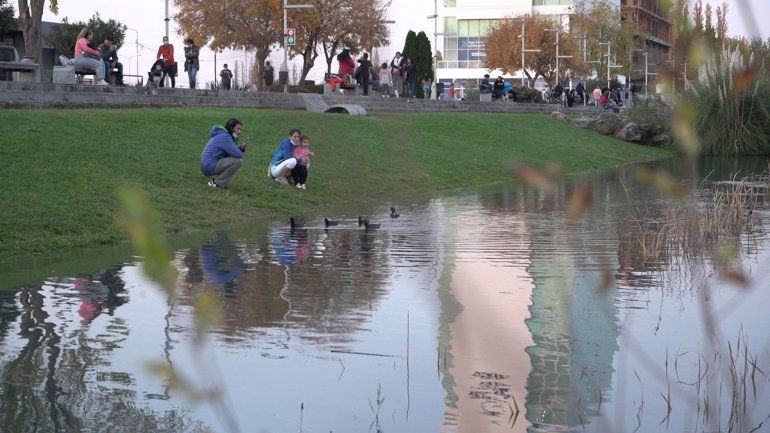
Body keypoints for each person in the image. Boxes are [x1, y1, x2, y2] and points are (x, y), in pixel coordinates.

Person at [200, 118, 249, 189]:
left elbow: (231, 153)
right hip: (208, 166)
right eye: (238, 129)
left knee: (235, 159)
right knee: (238, 161)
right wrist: (241, 149)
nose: (239, 132)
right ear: (231, 128)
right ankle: (216, 183)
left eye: (240, 129)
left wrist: (241, 148)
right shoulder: (224, 137)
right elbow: (238, 154)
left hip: (209, 164)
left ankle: (218, 181)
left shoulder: (223, 135)